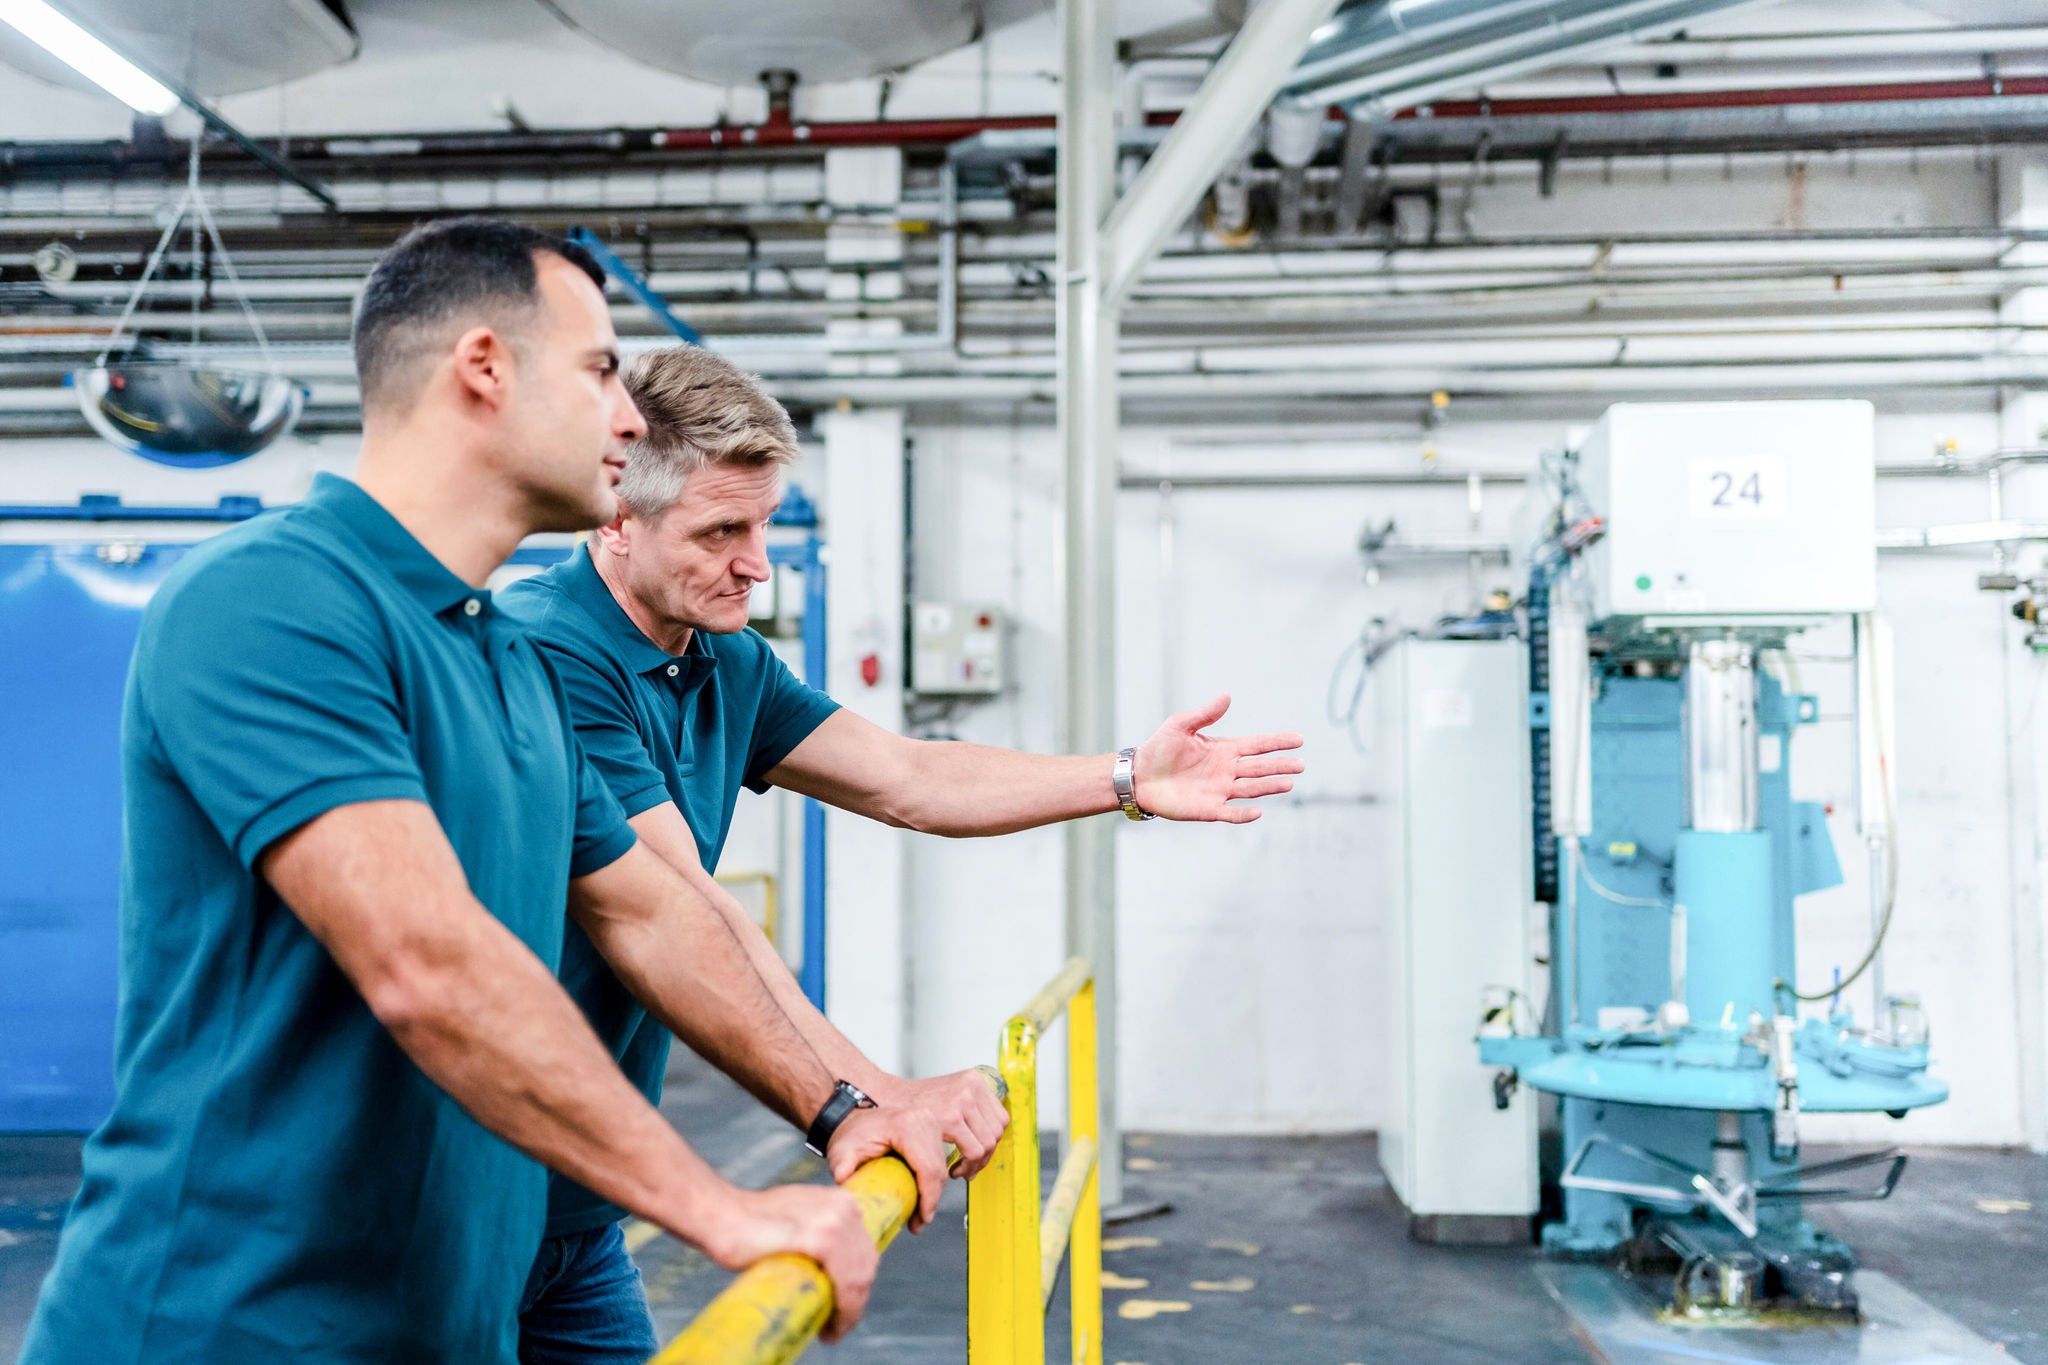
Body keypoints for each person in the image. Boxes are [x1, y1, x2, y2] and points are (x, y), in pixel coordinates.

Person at [19, 220, 927, 1364]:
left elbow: (651, 913)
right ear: (485, 368)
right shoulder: (271, 600)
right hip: (225, 1321)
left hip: (446, 1312)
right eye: (601, 371)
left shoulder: (501, 653)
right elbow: (427, 963)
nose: (631, 417)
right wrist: (718, 1209)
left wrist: (844, 1105)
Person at [499, 343, 1307, 1360]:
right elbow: (677, 914)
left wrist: (1124, 779)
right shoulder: (547, 654)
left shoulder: (720, 659)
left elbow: (908, 778)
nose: (756, 562)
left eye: (762, 524)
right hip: (461, 1191)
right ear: (615, 520)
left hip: (575, 1205)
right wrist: (861, 1098)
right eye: (719, 532)